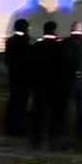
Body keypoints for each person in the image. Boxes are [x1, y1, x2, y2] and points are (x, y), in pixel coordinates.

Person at [28, 21, 67, 149]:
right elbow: (63, 67)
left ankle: (36, 138)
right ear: (54, 30)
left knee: (38, 112)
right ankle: (53, 138)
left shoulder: (36, 46)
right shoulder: (60, 47)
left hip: (39, 84)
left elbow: (30, 65)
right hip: (56, 85)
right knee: (55, 113)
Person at [4, 19, 32, 136]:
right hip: (24, 78)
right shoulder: (26, 41)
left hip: (13, 76)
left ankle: (11, 128)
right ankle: (20, 128)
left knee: (13, 102)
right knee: (22, 104)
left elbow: (7, 60)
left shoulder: (10, 41)